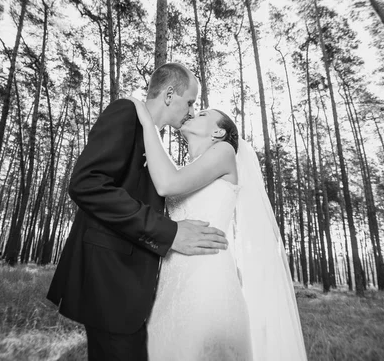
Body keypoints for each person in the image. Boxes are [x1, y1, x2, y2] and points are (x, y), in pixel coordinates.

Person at [46, 63, 229, 361]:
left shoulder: (151, 138)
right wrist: (170, 233)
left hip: (130, 286)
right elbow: (86, 183)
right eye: (191, 102)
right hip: (109, 279)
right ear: (170, 95)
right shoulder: (125, 113)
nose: (192, 111)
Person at [127, 97, 308, 360]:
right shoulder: (190, 168)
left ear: (218, 132)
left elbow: (167, 184)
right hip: (173, 282)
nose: (191, 114)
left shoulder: (224, 152)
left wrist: (148, 123)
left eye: (201, 113)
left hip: (207, 282)